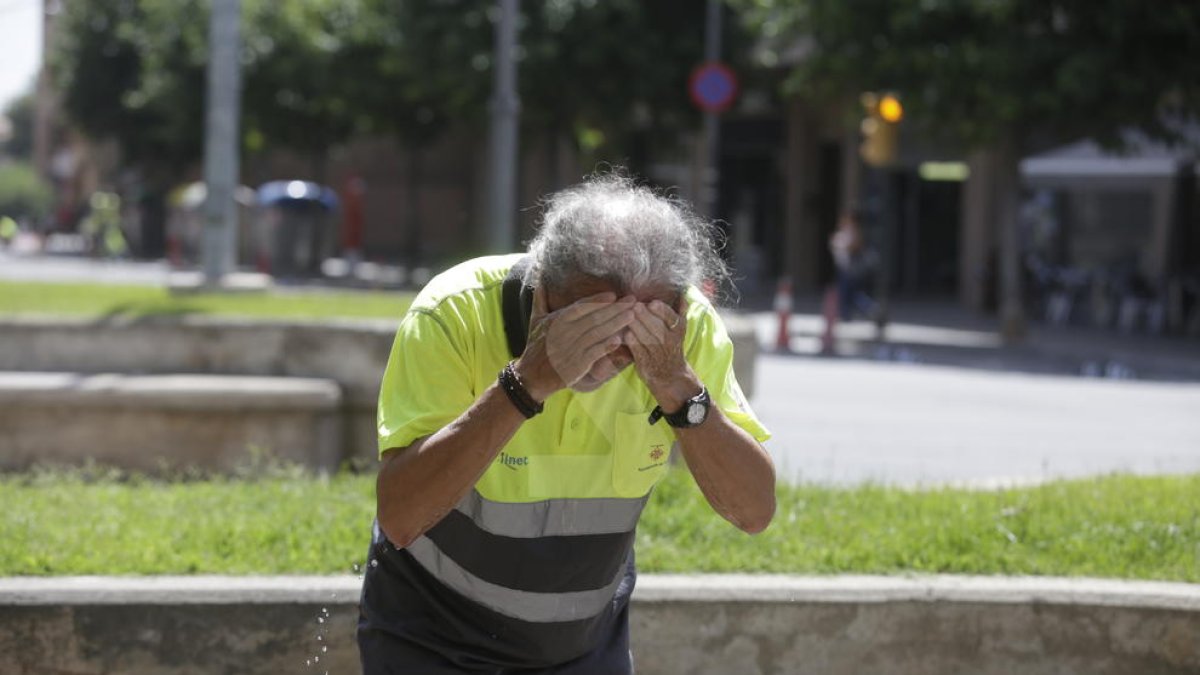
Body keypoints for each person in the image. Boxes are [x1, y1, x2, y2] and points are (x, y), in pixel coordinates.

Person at [358, 172, 776, 673]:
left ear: (677, 307)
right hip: (431, 634)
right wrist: (525, 383)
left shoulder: (686, 333)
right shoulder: (452, 313)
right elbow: (401, 515)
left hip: (583, 645)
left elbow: (753, 511)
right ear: (541, 291)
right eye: (589, 320)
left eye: (636, 328)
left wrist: (677, 386)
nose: (609, 351)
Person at [828, 210, 876, 321]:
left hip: (850, 269)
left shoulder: (853, 231)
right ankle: (848, 314)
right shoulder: (844, 231)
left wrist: (843, 245)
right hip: (844, 267)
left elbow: (855, 247)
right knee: (847, 294)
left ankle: (869, 308)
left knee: (850, 293)